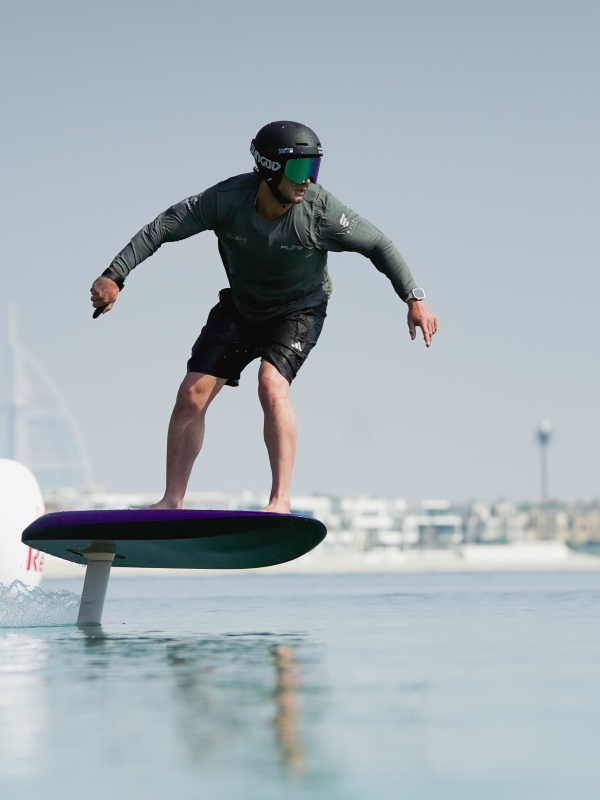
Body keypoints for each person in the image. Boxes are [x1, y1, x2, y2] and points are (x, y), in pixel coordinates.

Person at [90, 121, 438, 513]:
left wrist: (413, 297)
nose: (306, 180)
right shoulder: (225, 200)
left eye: (313, 169)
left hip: (298, 309)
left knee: (271, 385)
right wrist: (116, 274)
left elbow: (377, 243)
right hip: (241, 306)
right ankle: (171, 500)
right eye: (297, 170)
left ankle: (280, 501)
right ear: (268, 168)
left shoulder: (321, 211)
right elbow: (163, 227)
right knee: (191, 394)